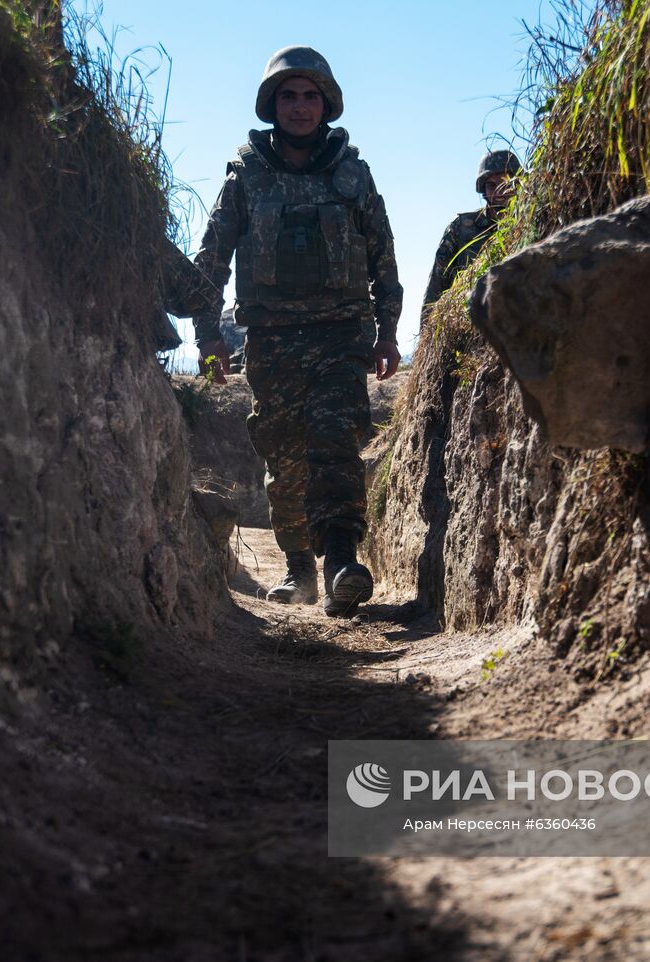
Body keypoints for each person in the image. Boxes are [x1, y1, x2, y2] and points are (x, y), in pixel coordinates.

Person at [191, 45, 402, 617]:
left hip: (341, 335)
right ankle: (299, 566)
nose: (301, 107)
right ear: (272, 104)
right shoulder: (246, 176)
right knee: (285, 456)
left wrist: (387, 332)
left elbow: (382, 257)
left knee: (334, 440)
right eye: (289, 96)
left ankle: (341, 563)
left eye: (311, 96)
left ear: (326, 104)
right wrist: (208, 336)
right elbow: (212, 260)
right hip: (271, 341)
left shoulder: (352, 175)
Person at [419, 149, 522, 323]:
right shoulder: (460, 227)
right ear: (483, 190)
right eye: (492, 185)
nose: (500, 191)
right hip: (470, 323)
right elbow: (436, 287)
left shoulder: (529, 223)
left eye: (506, 183)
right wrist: (426, 332)